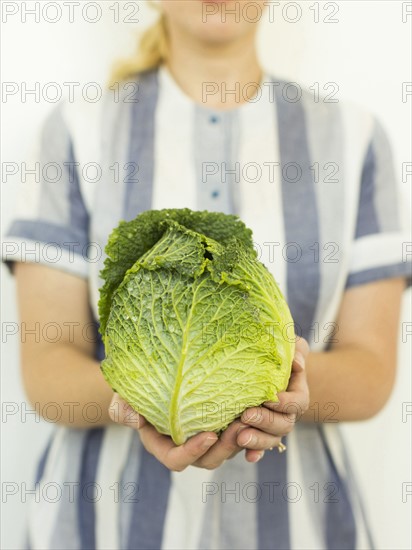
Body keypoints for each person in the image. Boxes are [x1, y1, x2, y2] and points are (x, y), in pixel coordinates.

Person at [3, 1, 411, 549]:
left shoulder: (356, 139)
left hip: (303, 527)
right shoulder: (73, 133)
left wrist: (270, 391)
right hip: (103, 526)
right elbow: (47, 369)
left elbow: (372, 371)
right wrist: (148, 399)